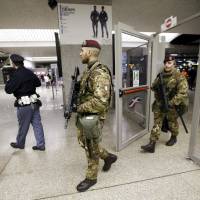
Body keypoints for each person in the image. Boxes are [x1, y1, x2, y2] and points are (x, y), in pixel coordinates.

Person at [76, 40, 117, 192]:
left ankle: (91, 177)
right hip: (86, 114)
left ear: (90, 52)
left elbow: (100, 101)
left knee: (91, 145)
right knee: (85, 142)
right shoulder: (89, 70)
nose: (80, 53)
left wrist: (79, 107)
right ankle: (108, 157)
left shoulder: (99, 73)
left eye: (82, 50)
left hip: (93, 116)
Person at [141, 56, 188, 153]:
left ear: (174, 63)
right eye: (166, 62)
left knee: (172, 122)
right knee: (157, 123)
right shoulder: (160, 75)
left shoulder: (179, 76)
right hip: (159, 103)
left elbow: (183, 92)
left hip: (173, 104)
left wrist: (172, 102)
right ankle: (152, 144)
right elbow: (153, 86)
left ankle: (174, 137)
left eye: (169, 62)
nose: (167, 64)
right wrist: (157, 88)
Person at [5, 54, 45, 151]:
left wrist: (11, 82)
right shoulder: (29, 72)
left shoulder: (16, 74)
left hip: (24, 105)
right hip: (34, 102)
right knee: (37, 124)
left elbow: (8, 90)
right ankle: (41, 145)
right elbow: (38, 83)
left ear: (13, 63)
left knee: (23, 125)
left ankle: (20, 143)